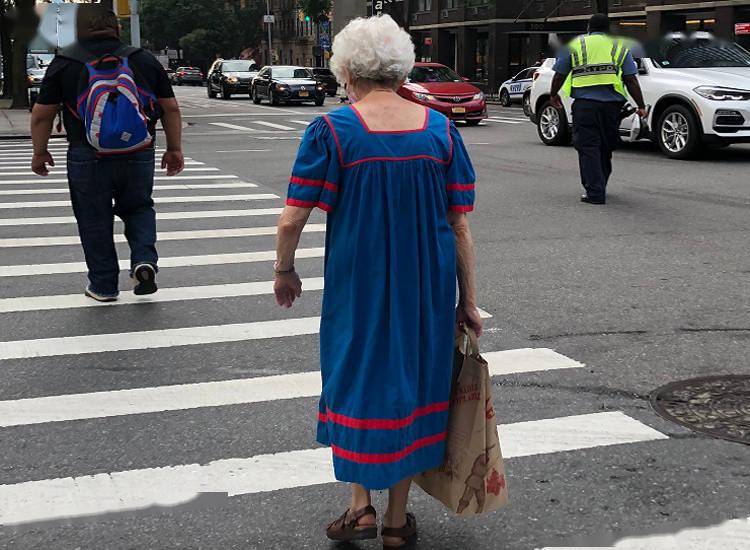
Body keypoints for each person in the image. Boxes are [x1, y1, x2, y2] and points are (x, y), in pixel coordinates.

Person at [273, 14, 482, 550]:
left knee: (359, 381)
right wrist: (469, 302)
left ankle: (359, 506)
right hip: (427, 287)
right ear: (401, 67)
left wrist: (284, 269)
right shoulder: (438, 129)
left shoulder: (334, 131)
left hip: (358, 287)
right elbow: (460, 223)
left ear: (346, 70)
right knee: (412, 386)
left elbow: (293, 216)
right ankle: (394, 520)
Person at [30, 5, 184, 301]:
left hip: (87, 155)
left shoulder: (65, 62)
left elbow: (41, 115)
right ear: (117, 28)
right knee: (139, 207)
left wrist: (40, 151)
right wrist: (174, 149)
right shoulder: (143, 60)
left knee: (93, 218)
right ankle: (143, 259)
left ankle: (103, 285)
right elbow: (170, 108)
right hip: (138, 150)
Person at [549, 13, 646, 205]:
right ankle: (600, 184)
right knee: (605, 146)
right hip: (611, 108)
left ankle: (595, 191)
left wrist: (554, 94)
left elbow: (560, 74)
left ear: (588, 27)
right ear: (608, 29)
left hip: (585, 106)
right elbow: (631, 79)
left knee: (588, 147)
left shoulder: (576, 46)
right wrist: (641, 105)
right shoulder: (619, 47)